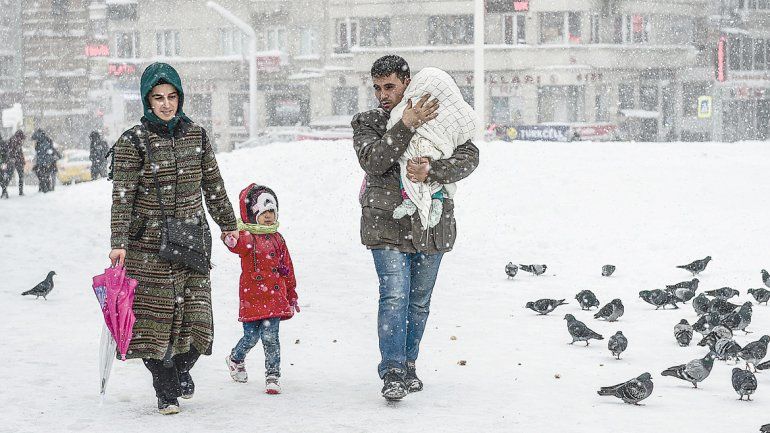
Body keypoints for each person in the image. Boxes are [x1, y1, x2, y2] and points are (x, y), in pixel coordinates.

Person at [108, 62, 239, 415]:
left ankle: (181, 367)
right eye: (158, 98)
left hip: (192, 238)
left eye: (171, 96)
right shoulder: (133, 141)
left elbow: (213, 185)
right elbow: (122, 196)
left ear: (180, 97)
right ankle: (166, 388)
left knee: (198, 318)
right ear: (147, 100)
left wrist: (228, 224)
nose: (166, 104)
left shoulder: (196, 136)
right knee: (154, 322)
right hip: (148, 246)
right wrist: (118, 241)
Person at [351, 55, 480, 401]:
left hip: (431, 225)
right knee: (395, 296)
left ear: (407, 83)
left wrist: (432, 170)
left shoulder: (439, 114)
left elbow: (469, 157)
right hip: (386, 224)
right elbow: (374, 161)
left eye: (389, 86)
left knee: (419, 302)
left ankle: (408, 365)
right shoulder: (369, 122)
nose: (383, 94)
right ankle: (392, 371)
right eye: (377, 88)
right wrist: (405, 125)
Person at [223, 184, 298, 395]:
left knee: (271, 338)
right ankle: (235, 358)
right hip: (253, 297)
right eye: (264, 213)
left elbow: (287, 267)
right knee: (251, 337)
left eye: (271, 212)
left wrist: (291, 292)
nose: (268, 216)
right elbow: (238, 245)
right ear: (253, 215)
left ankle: (273, 376)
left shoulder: (278, 238)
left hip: (274, 297)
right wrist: (231, 240)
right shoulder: (247, 236)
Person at [5, 130, 26, 196]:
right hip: (16, 161)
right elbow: (16, 152)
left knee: (9, 176)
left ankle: (4, 190)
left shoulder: (13, 139)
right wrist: (20, 160)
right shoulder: (16, 140)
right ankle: (20, 192)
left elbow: (18, 152)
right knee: (20, 176)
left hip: (14, 161)